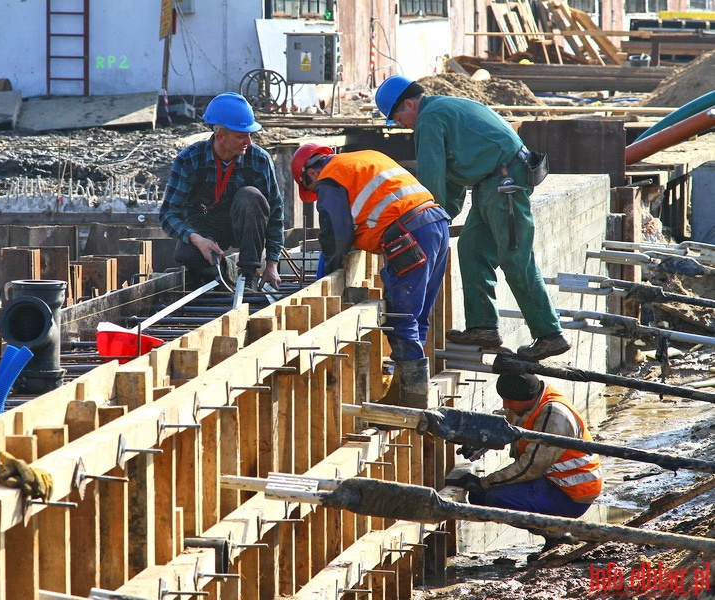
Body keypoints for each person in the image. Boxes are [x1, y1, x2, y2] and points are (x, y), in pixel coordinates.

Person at [374, 75, 570, 362]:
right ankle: (483, 327)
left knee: (515, 256)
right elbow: (449, 178)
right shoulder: (443, 110)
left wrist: (425, 220)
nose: (401, 124)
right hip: (491, 182)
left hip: (505, 182)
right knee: (472, 249)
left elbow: (431, 174)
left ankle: (550, 334)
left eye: (398, 117)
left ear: (409, 103)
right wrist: (441, 216)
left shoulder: (429, 119)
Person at [291, 143, 450, 408]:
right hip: (436, 223)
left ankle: (411, 395)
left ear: (309, 172)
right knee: (417, 315)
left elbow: (337, 235)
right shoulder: (367, 157)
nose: (316, 194)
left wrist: (329, 275)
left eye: (310, 188)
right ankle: (406, 386)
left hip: (408, 234)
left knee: (401, 315)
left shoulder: (330, 177)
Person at [457, 372, 603, 553]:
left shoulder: (554, 416)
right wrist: (480, 438)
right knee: (479, 497)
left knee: (494, 498)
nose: (505, 405)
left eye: (509, 401)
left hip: (572, 493)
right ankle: (555, 532)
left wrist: (484, 482)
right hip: (552, 482)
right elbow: (507, 422)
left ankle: (556, 534)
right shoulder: (532, 404)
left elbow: (530, 468)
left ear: (526, 398)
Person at [158, 92, 283, 291]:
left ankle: (248, 275)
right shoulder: (189, 160)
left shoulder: (259, 159)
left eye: (250, 135)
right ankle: (225, 271)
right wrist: (197, 240)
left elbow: (275, 212)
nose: (248, 142)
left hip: (244, 225)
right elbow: (168, 214)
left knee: (251, 196)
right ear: (221, 137)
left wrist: (272, 264)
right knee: (186, 254)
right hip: (206, 225)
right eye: (241, 136)